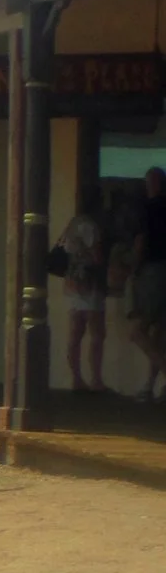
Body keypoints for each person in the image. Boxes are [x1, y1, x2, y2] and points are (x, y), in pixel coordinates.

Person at [62, 187, 110, 394]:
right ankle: (96, 380)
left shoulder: (72, 224)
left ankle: (76, 379)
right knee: (97, 333)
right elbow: (98, 257)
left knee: (75, 333)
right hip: (89, 283)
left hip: (72, 282)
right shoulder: (90, 226)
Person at [129, 169, 166, 401]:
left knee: (138, 331)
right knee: (159, 333)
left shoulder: (149, 209)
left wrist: (133, 268)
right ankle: (150, 386)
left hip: (153, 270)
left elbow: (141, 242)